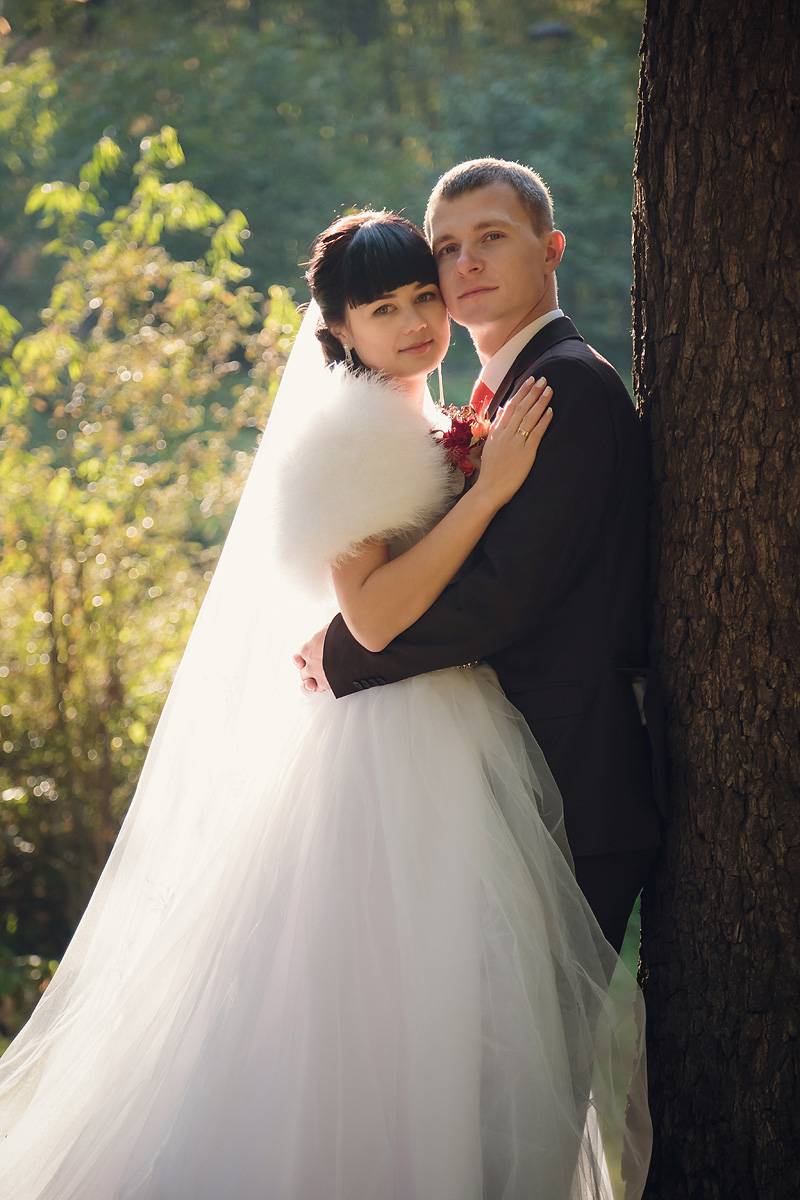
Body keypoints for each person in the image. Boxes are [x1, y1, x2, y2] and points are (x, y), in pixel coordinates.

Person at [0, 210, 651, 1199]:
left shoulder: (422, 417)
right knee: (382, 1010)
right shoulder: (354, 430)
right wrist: (485, 494)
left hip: (454, 730)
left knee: (441, 1015)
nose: (415, 322)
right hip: (395, 742)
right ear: (339, 329)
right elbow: (376, 620)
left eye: (424, 298)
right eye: (383, 310)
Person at [298, 159, 667, 954]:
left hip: (572, 773)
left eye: (492, 238)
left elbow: (504, 595)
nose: (466, 264)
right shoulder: (493, 395)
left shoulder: (562, 387)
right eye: (448, 248)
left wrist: (344, 653)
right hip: (492, 775)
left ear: (551, 249)